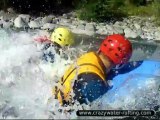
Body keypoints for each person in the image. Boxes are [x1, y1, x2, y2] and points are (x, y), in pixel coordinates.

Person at [53, 34, 132, 106]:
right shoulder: (95, 83)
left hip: (53, 98)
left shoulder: (87, 57)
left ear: (100, 50)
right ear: (119, 64)